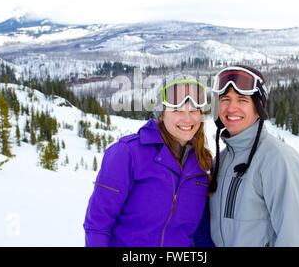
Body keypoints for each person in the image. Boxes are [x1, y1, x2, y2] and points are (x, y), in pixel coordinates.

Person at [83, 78, 213, 246]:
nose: (187, 119)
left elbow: (201, 232)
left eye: (194, 110)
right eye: (177, 110)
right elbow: (98, 225)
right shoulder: (128, 153)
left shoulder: (202, 163)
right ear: (161, 114)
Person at [208, 65, 299, 247]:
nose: (231, 108)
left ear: (258, 108)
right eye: (225, 99)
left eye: (242, 100)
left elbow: (295, 239)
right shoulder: (221, 160)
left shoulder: (278, 160)